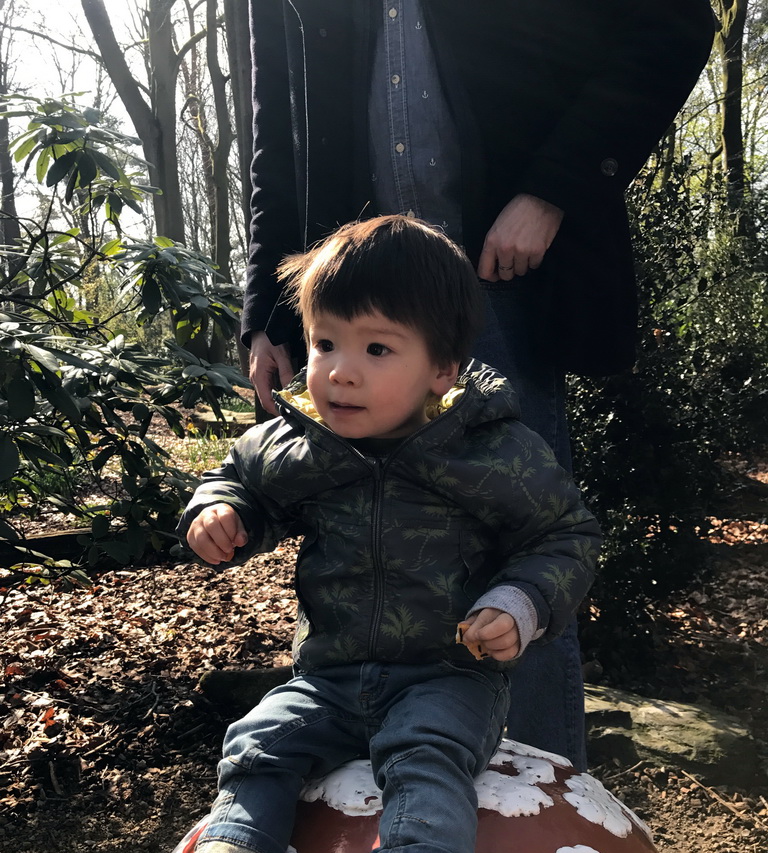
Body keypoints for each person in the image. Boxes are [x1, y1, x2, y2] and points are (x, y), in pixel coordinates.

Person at [36, 215, 602, 853]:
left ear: (442, 368)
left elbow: (567, 534)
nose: (339, 373)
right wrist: (221, 511)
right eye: (325, 343)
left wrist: (521, 601)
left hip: (446, 673)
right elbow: (239, 475)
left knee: (427, 754)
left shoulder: (490, 452)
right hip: (329, 674)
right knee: (258, 745)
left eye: (377, 349)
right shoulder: (306, 443)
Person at [239, 0, 715, 768]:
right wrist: (268, 306)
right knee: (342, 545)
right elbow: (275, 132)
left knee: (517, 561)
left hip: (504, 285)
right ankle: (386, 846)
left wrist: (552, 191)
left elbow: (672, 25)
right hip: (346, 308)